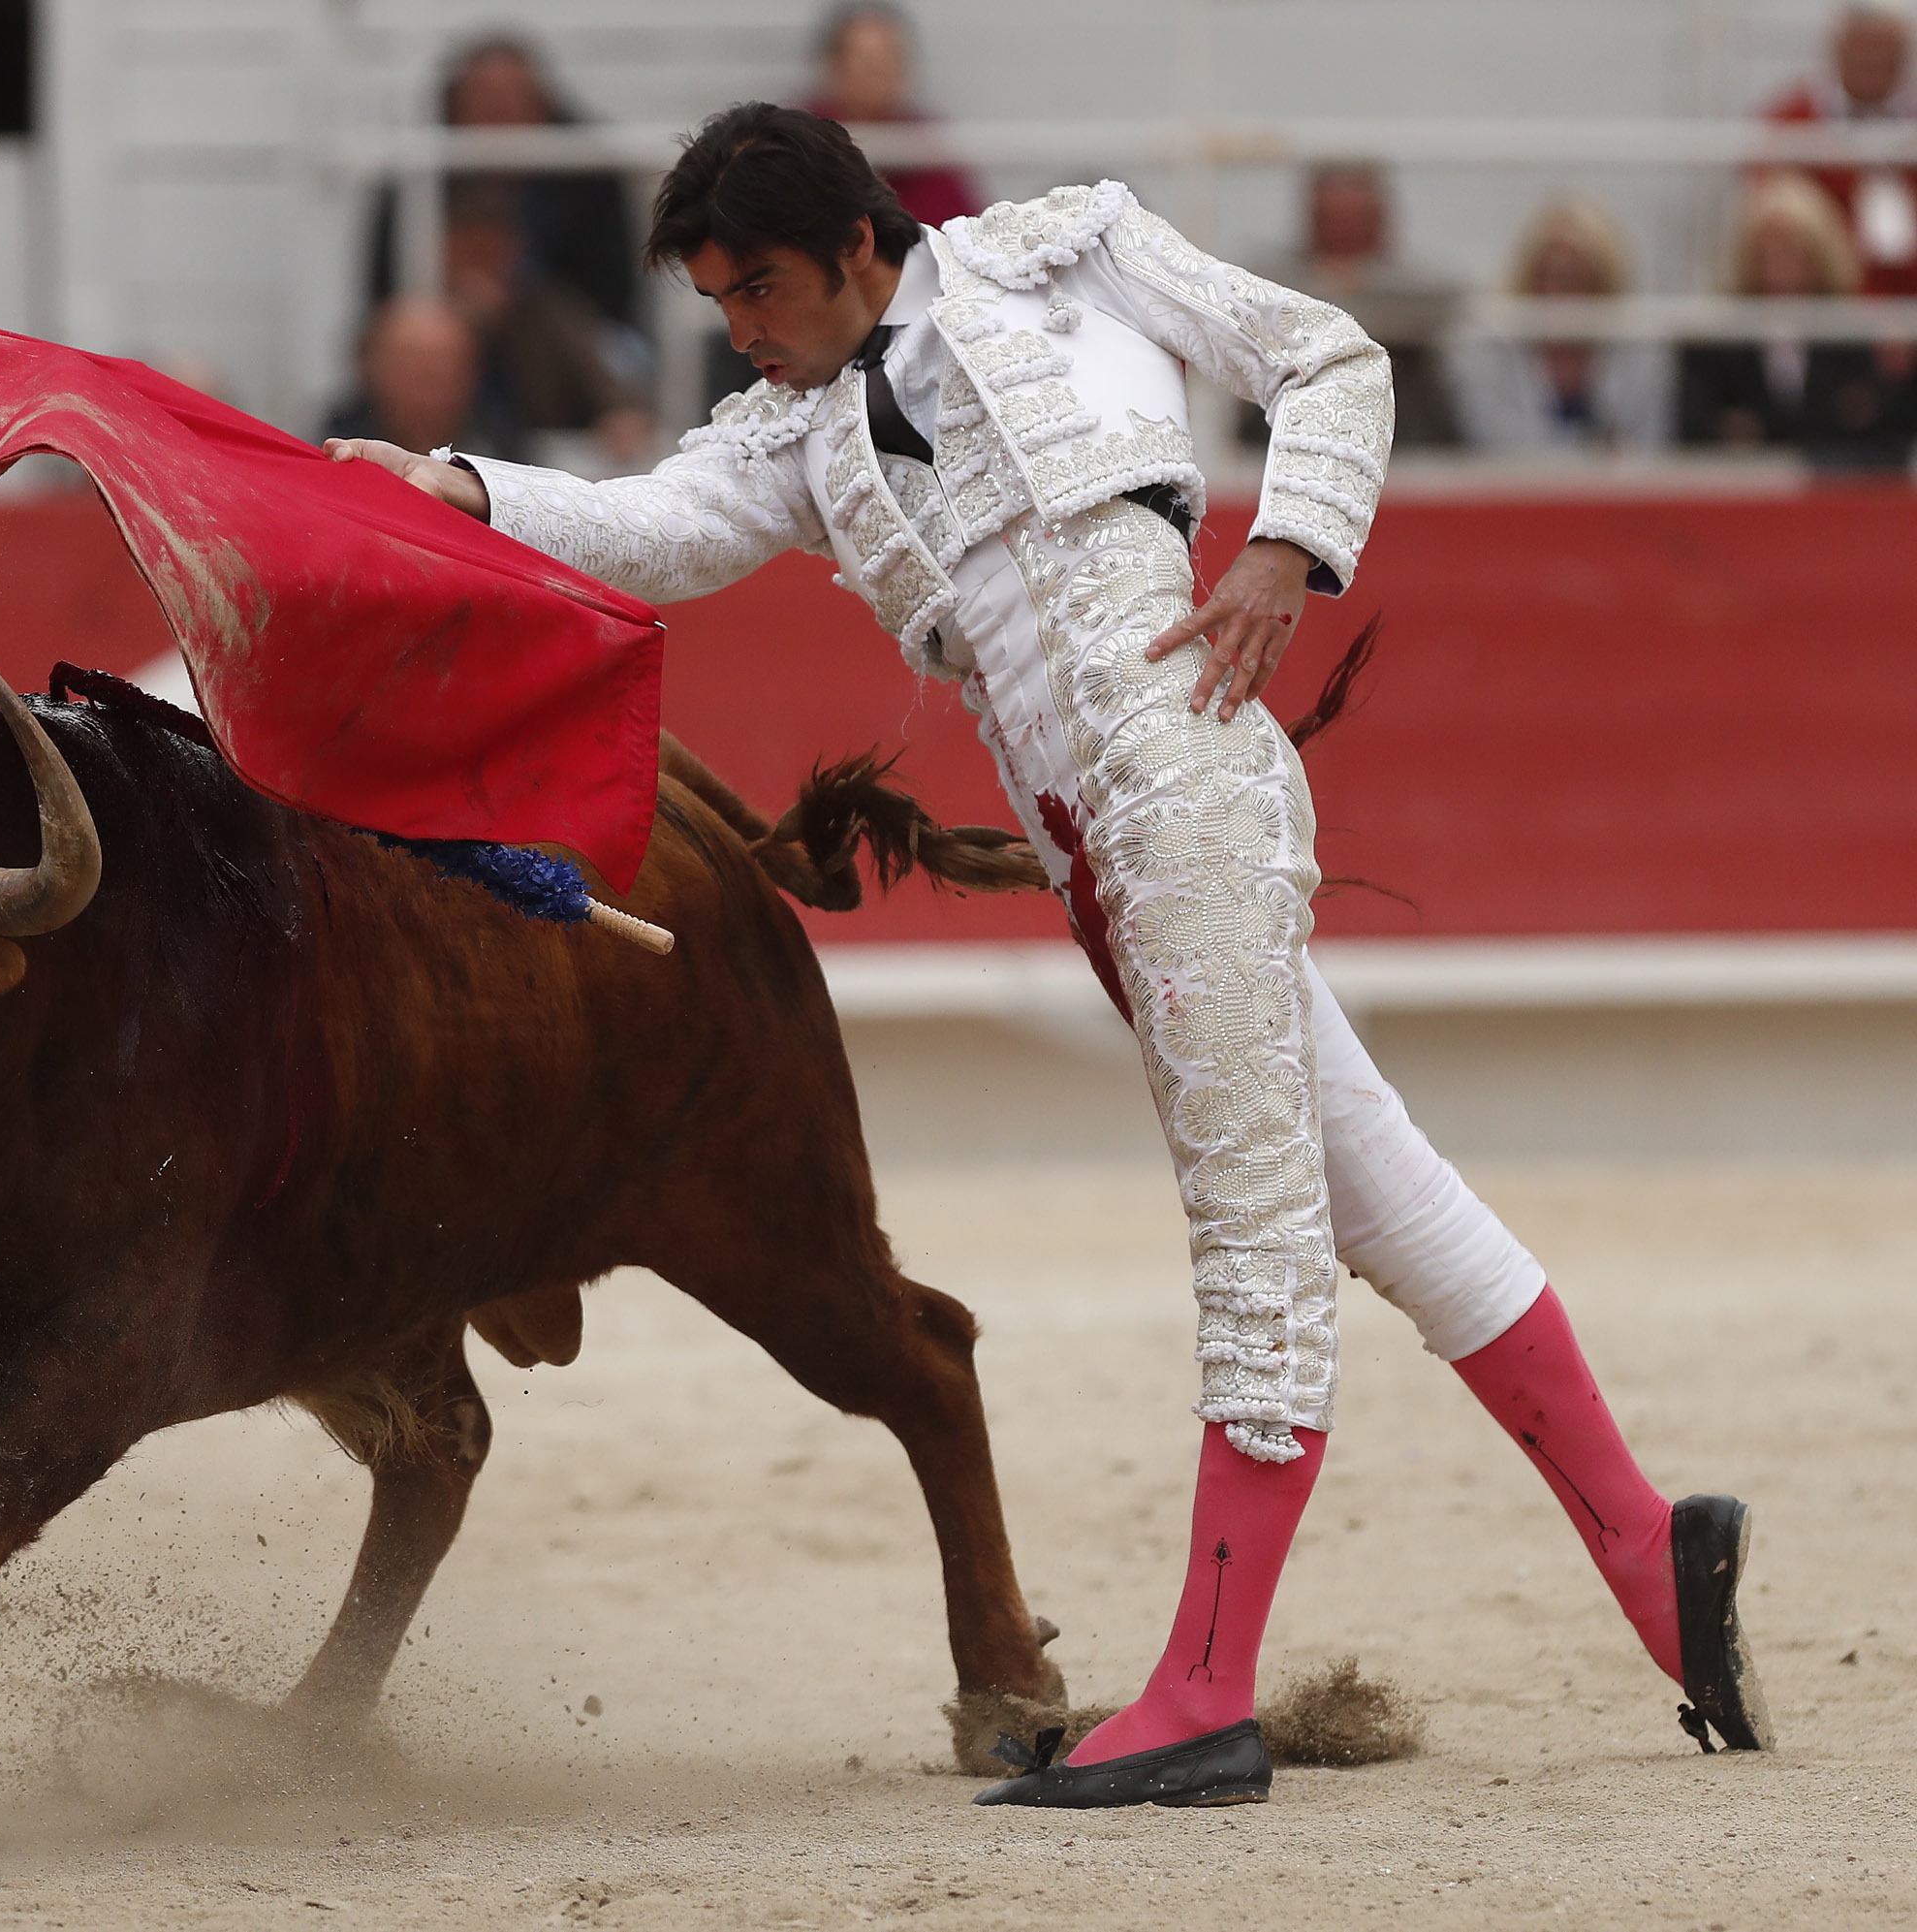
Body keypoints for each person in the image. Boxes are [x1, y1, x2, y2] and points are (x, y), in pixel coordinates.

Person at [329, 104, 1769, 1807]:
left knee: (1255, 1236)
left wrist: (1286, 555)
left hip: (1188, 798)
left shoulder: (1070, 256)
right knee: (1388, 1201)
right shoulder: (799, 434)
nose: (745, 328)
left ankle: (1209, 1691)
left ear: (861, 243)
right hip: (1106, 856)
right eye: (721, 301)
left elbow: (1330, 355)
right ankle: (1652, 1552)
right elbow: (652, 527)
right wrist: (461, 486)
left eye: (762, 286)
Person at [364, 35, 643, 336]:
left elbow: (612, 296)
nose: (500, 123)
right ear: (455, 110)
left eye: (514, 104)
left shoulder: (586, 173)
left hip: (558, 344)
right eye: (484, 106)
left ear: (542, 110)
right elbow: (383, 292)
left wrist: (525, 306)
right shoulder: (417, 173)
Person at [1679, 171, 1917, 471]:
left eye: (1794, 249)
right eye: (1768, 249)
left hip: (1835, 497)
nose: (1780, 263)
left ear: (1819, 253)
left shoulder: (1856, 337)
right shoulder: (1716, 343)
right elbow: (1694, 432)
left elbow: (1890, 429)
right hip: (1745, 497)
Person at [442, 175, 655, 472]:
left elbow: (611, 387)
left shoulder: (548, 311)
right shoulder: (423, 318)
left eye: (494, 254)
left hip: (531, 468)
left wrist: (623, 414)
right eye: (473, 254)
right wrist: (467, 327)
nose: (485, 269)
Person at [1248, 161, 1461, 447]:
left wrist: (1354, 291)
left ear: (1381, 223)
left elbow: (1448, 302)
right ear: (1311, 222)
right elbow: (1248, 300)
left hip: (1400, 420)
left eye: (1356, 220)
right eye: (1333, 220)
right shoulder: (1274, 276)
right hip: (1294, 416)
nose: (1345, 232)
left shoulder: (1414, 284)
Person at [1451, 195, 1670, 454]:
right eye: (1546, 276)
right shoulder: (1485, 352)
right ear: (1526, 280)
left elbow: (1648, 455)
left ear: (1602, 283)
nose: (1557, 293)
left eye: (1575, 278)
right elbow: (1498, 452)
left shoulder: (1641, 353)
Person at [1767, 2, 1917, 296]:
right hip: (1827, 301)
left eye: (1884, 56)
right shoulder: (1794, 121)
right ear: (1837, 54)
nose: (1872, 65)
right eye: (1860, 55)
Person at [805, 3, 984, 228]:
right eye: (867, 61)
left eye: (890, 58)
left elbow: (962, 232)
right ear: (835, 65)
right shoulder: (802, 145)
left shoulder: (929, 150)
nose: (880, 72)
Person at [320, 295, 519, 462]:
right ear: (370, 368)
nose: (426, 381)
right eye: (408, 362)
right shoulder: (329, 451)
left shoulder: (509, 460)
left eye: (444, 364)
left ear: (474, 373)